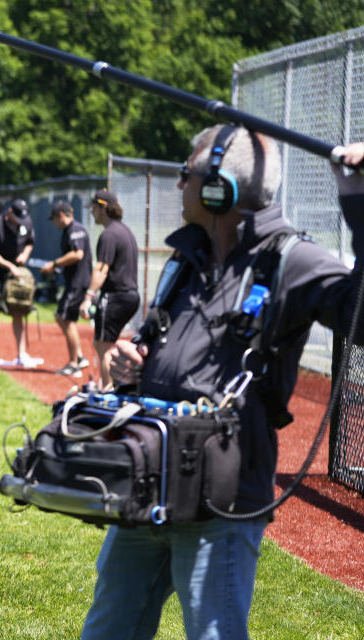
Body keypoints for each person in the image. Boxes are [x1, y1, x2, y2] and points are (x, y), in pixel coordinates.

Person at [79, 126, 364, 640]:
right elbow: (154, 340)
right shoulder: (186, 256)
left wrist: (361, 205)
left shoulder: (290, 259)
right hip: (151, 480)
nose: (178, 185)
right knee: (108, 628)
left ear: (219, 187)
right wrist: (131, 359)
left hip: (222, 498)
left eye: (185, 174)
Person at [78, 189, 140, 389]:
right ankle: (112, 387)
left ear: (103, 208)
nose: (92, 212)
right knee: (106, 344)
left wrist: (88, 297)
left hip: (116, 296)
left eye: (94, 208)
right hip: (130, 295)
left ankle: (108, 392)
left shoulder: (109, 234)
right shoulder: (124, 230)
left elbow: (102, 268)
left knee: (103, 345)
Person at [0, 198, 41, 368]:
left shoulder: (26, 221)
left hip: (16, 275)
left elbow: (30, 242)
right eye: (17, 217)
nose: (21, 221)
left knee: (19, 311)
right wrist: (9, 265)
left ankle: (21, 354)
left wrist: (25, 255)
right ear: (10, 212)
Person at [40, 200, 92, 377]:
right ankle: (79, 356)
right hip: (73, 281)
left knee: (67, 319)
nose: (54, 223)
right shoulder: (68, 231)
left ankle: (74, 364)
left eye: (54, 219)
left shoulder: (75, 229)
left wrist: (54, 264)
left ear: (61, 215)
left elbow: (78, 254)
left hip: (78, 282)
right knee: (60, 317)